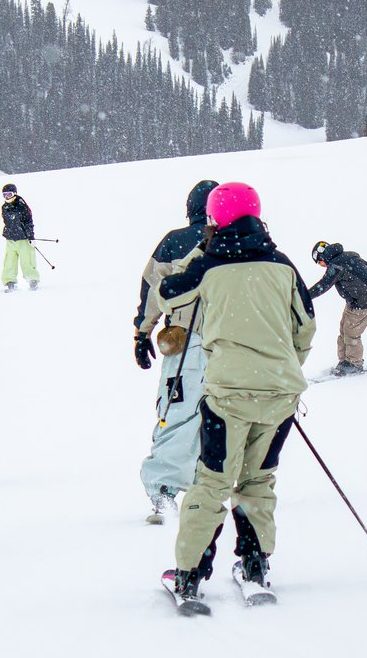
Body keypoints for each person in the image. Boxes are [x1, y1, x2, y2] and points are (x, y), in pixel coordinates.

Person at [155, 182, 316, 604]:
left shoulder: (209, 264)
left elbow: (167, 293)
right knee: (258, 480)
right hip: (280, 395)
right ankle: (255, 564)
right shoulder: (282, 264)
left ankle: (189, 575)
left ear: (212, 220)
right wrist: (284, 367)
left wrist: (200, 252)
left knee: (211, 482)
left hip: (227, 397)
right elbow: (306, 326)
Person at [132, 179, 218, 523]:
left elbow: (152, 289)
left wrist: (142, 332)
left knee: (176, 411)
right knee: (223, 415)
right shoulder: (236, 242)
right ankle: (218, 486)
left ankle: (165, 489)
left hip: (187, 344)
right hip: (229, 343)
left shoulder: (174, 241)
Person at [308, 241, 367, 376]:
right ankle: (345, 362)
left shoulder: (335, 266)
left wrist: (304, 296)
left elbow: (323, 286)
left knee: (351, 332)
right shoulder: (350, 256)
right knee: (344, 329)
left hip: (366, 301)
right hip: (355, 301)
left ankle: (354, 364)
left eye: (319, 263)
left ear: (321, 258)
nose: (322, 266)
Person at [0, 183, 40, 292]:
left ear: (15, 194)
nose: (7, 197)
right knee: (9, 261)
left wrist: (31, 236)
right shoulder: (4, 207)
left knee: (27, 260)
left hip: (23, 238)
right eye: (4, 195)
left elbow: (28, 221)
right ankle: (10, 282)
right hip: (10, 238)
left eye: (9, 194)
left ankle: (33, 280)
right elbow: (6, 221)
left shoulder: (21, 205)